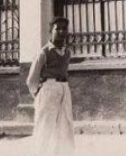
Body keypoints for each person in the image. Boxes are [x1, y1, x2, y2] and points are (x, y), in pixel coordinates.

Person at [26, 17, 75, 156]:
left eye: (64, 29)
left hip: (64, 89)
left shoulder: (67, 53)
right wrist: (37, 94)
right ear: (50, 32)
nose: (61, 31)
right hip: (48, 89)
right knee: (45, 127)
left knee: (65, 127)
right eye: (57, 29)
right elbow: (32, 79)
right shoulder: (44, 53)